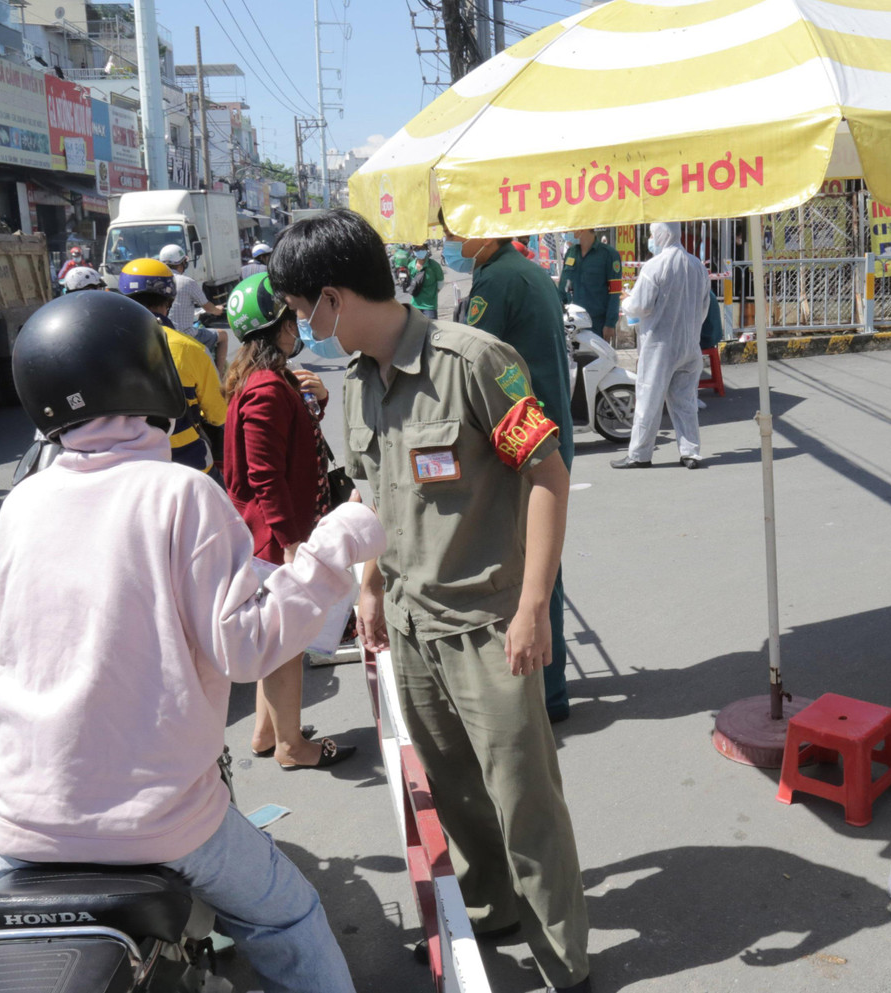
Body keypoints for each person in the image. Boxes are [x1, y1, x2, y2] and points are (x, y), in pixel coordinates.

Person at [0, 291, 381, 993]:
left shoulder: (20, 506)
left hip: (15, 828)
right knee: (290, 917)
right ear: (147, 379)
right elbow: (249, 646)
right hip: (160, 820)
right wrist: (334, 546)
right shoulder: (180, 494)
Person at [272, 210, 591, 993]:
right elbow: (370, 490)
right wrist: (371, 590)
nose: (298, 325)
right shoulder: (359, 386)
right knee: (450, 790)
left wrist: (532, 607)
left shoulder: (471, 361)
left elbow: (546, 475)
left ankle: (566, 962)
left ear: (334, 299)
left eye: (300, 307)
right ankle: (490, 910)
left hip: (489, 625)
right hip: (411, 627)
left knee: (526, 802)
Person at [222, 272, 354, 770]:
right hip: (275, 539)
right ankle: (292, 747)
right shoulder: (266, 390)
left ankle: (263, 733)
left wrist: (316, 401)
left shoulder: (267, 383)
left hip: (270, 535)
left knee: (275, 640)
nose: (296, 327)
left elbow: (290, 449)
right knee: (288, 643)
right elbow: (264, 477)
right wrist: (292, 543)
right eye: (289, 320)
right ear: (272, 330)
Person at [444, 228, 575, 724]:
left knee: (531, 569)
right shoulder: (522, 270)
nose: (447, 240)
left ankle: (545, 689)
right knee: (544, 562)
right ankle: (550, 683)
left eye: (453, 230)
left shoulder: (497, 281)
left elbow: (468, 359)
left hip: (523, 441)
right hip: (545, 431)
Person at [613, 222, 710, 470]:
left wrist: (626, 302)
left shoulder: (655, 266)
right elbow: (704, 307)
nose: (650, 239)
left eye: (652, 235)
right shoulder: (697, 266)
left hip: (660, 346)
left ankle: (639, 455)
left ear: (660, 234)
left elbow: (640, 306)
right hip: (690, 345)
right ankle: (691, 453)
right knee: (686, 401)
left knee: (649, 399)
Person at [120, 258, 226, 474]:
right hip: (187, 463)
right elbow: (218, 415)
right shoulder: (191, 349)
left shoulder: (107, 345)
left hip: (127, 466)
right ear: (169, 300)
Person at [161, 244, 227, 377]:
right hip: (186, 335)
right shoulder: (187, 282)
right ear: (182, 263)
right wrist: (217, 310)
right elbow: (207, 307)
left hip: (162, 335)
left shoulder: (157, 281)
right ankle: (220, 377)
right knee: (224, 336)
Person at [558, 229, 622, 343]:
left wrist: (610, 323)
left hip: (596, 324)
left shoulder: (609, 255)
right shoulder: (571, 252)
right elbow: (563, 288)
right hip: (571, 323)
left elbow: (615, 292)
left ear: (582, 229)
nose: (568, 232)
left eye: (573, 227)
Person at [404, 243, 444, 318]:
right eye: (417, 249)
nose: (420, 251)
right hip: (415, 305)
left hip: (429, 306)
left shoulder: (434, 265)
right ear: (413, 251)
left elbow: (440, 283)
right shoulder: (411, 266)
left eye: (422, 249)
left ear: (426, 250)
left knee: (431, 328)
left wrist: (431, 294)